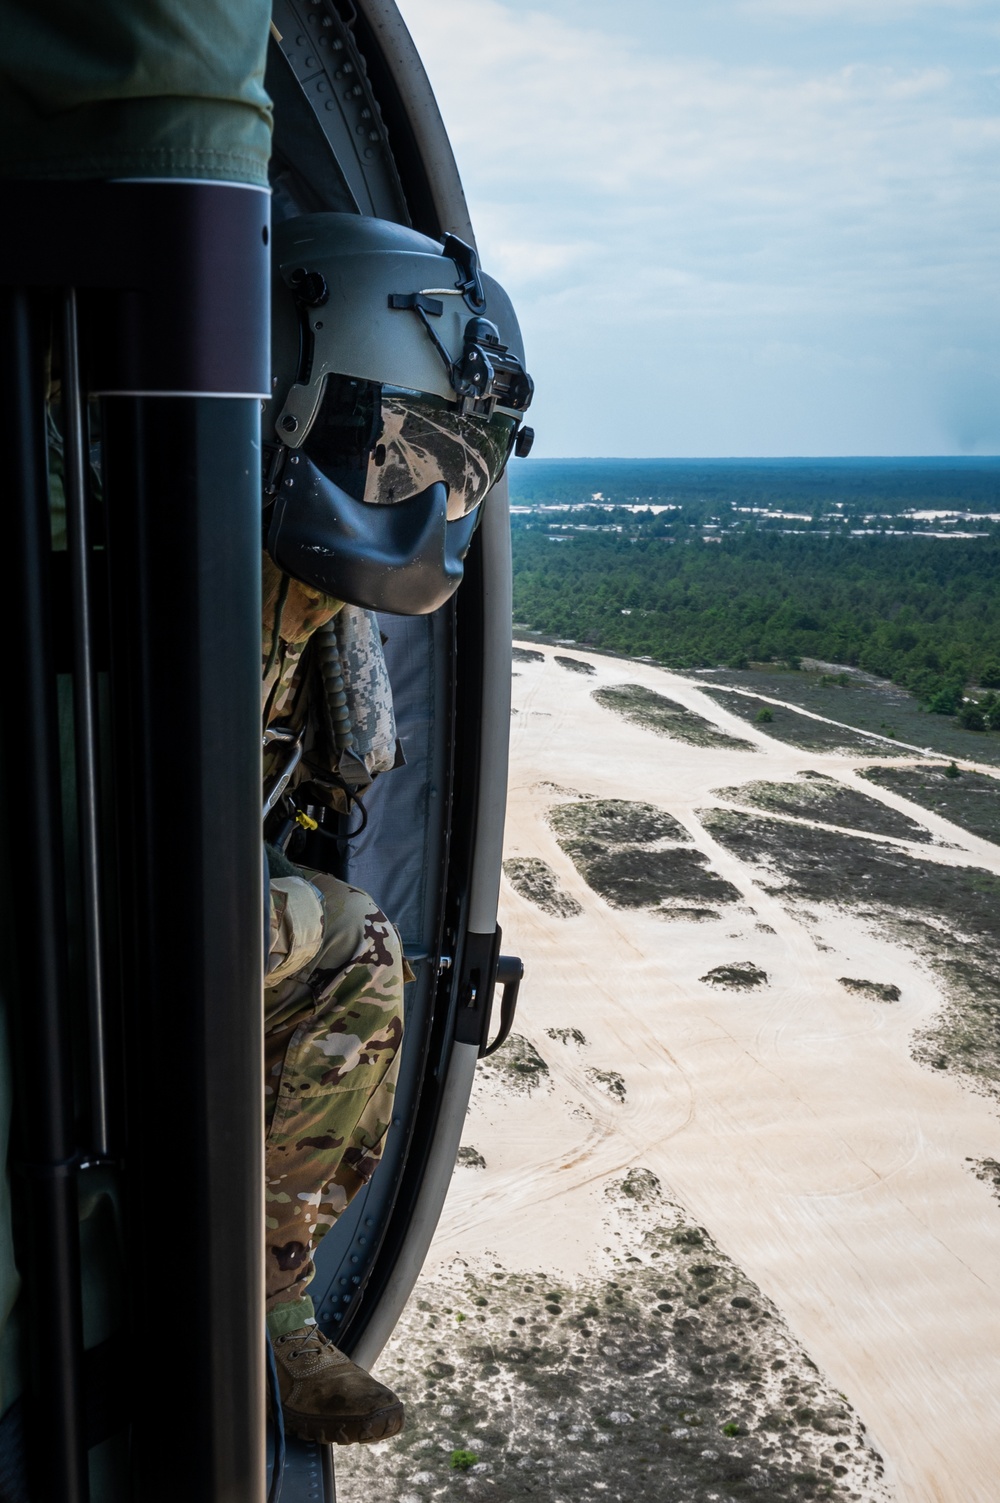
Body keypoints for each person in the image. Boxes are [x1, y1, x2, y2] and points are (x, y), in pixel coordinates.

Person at [258, 212, 534, 1446]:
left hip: (149, 899)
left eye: (455, 473)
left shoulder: (304, 597)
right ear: (301, 389)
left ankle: (264, 1302)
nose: (423, 500)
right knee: (359, 944)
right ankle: (266, 1310)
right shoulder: (132, 519)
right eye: (403, 455)